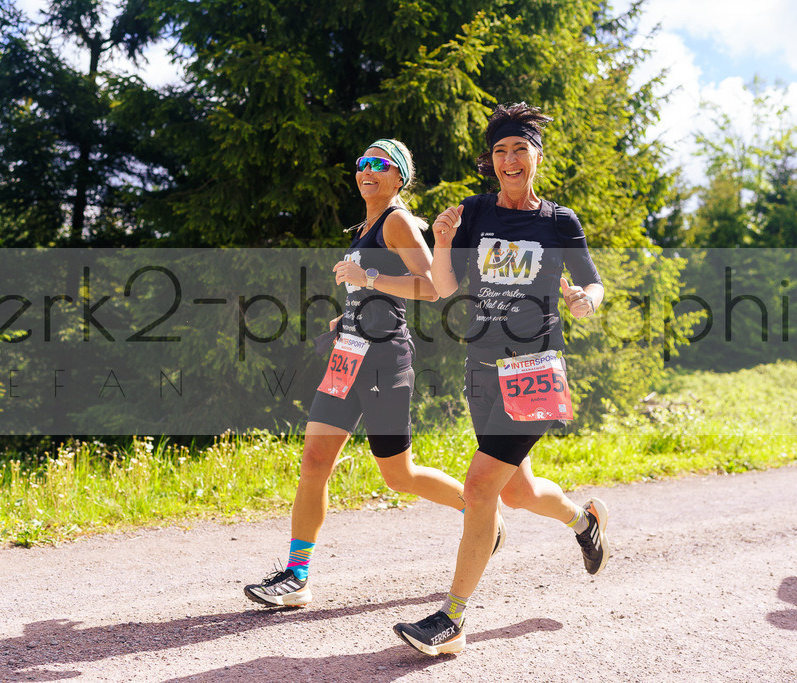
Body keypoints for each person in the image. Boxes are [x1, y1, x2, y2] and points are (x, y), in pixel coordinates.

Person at [245, 139, 504, 607]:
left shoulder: (398, 220)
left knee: (398, 475)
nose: (367, 170)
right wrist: (346, 317)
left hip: (385, 360)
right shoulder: (367, 225)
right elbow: (371, 295)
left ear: (399, 177)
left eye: (380, 165)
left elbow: (432, 288)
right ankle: (296, 576)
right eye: (362, 163)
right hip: (349, 353)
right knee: (314, 462)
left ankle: (480, 512)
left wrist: (369, 281)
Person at [392, 104, 609, 655]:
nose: (510, 160)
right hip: (481, 367)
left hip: (536, 369)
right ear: (492, 163)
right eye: (500, 152)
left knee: (480, 487)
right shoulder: (473, 213)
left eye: (520, 149)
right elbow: (441, 287)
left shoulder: (560, 222)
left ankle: (452, 620)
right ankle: (583, 520)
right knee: (519, 491)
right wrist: (442, 241)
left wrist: (586, 301)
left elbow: (591, 282)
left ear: (538, 155)